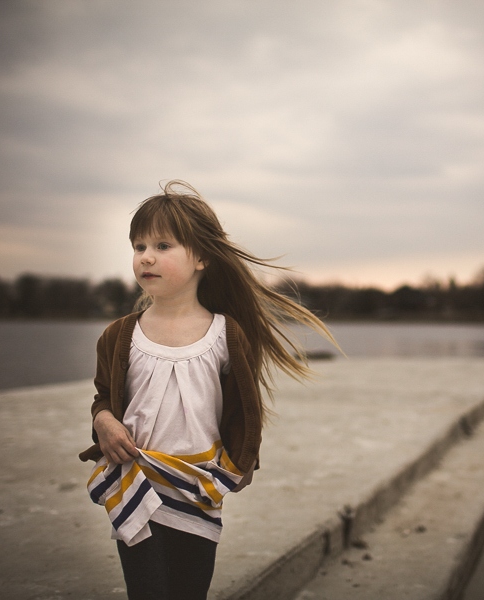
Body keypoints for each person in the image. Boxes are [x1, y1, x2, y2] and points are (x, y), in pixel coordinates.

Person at [78, 180, 336, 600]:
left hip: (199, 487)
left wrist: (241, 462)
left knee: (188, 590)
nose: (146, 257)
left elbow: (243, 409)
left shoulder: (226, 335)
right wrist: (103, 421)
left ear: (201, 257)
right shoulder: (119, 335)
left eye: (163, 245)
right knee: (147, 591)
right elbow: (102, 397)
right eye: (139, 246)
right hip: (136, 482)